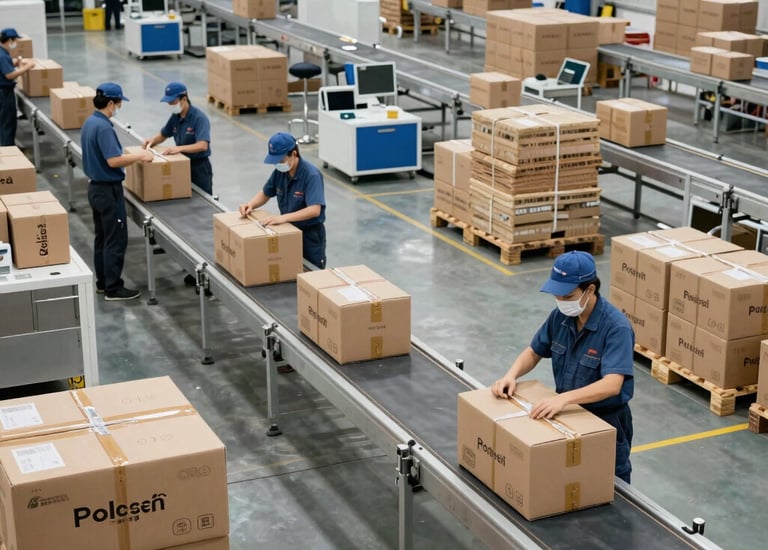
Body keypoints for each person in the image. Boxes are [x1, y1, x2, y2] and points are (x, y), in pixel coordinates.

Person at [491, 251, 635, 483]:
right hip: (568, 416)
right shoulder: (560, 317)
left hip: (605, 421)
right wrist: (511, 375)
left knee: (608, 485)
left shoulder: (616, 328)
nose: (561, 302)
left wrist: (563, 399)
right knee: (570, 481)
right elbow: (534, 351)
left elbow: (612, 384)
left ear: (590, 290)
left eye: (567, 296)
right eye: (557, 296)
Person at [81, 82, 153, 301]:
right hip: (108, 191)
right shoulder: (103, 127)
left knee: (102, 238)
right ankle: (113, 287)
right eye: (119, 103)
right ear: (111, 103)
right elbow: (113, 160)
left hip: (95, 188)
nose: (119, 107)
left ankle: (103, 283)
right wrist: (141, 156)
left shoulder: (90, 122)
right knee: (115, 239)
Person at [238, 132, 326, 269]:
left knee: (311, 274)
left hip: (309, 237)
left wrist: (283, 218)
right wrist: (250, 204)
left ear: (294, 154)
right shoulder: (280, 172)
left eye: (280, 161)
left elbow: (314, 210)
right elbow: (266, 192)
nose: (278, 165)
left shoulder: (311, 175)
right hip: (288, 231)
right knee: (290, 271)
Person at [142, 82, 213, 195]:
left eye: (172, 102)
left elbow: (202, 145)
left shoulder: (199, 118)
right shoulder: (176, 116)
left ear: (184, 99)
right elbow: (164, 134)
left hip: (199, 167)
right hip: (182, 164)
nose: (170, 105)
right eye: (168, 102)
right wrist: (152, 141)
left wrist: (179, 149)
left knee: (202, 201)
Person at [0, 28, 35, 146]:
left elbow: (6, 65)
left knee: (3, 123)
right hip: (4, 94)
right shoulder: (2, 56)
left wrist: (17, 61)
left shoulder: (2, 53)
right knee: (7, 124)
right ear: (10, 40)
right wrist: (26, 68)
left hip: (3, 92)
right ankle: (8, 151)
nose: (15, 43)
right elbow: (9, 75)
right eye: (15, 40)